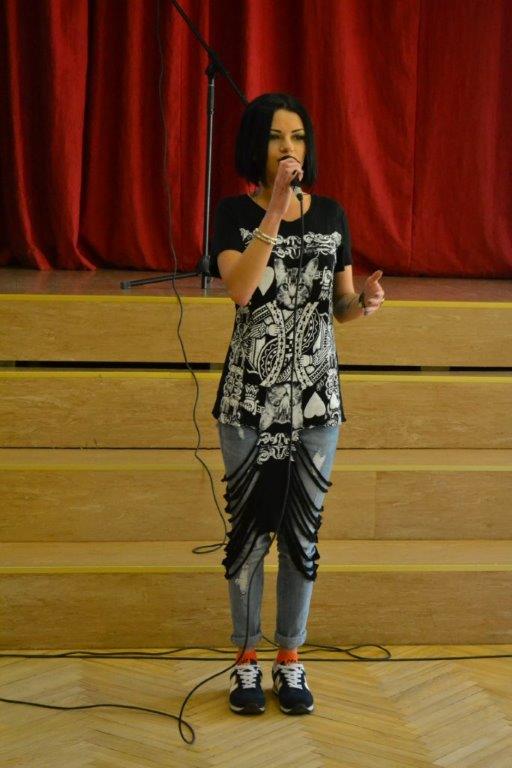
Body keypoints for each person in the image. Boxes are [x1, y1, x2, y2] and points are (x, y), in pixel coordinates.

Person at [209, 93, 385, 716]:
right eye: (278, 137)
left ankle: (290, 657)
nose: (290, 148)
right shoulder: (234, 214)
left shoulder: (332, 214)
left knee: (301, 538)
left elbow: (338, 307)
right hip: (249, 399)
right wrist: (277, 211)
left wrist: (362, 303)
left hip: (316, 400)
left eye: (299, 137)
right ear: (256, 146)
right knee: (249, 539)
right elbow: (241, 289)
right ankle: (245, 661)